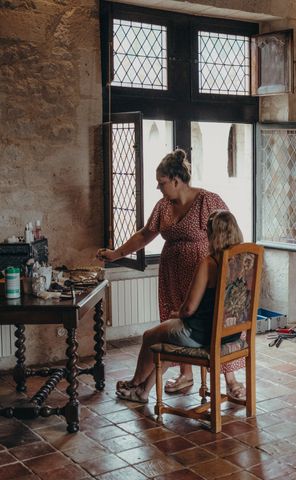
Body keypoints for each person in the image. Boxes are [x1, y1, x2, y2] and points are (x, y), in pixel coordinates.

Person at [96, 148, 246, 401]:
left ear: (176, 180)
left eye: (161, 182)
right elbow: (145, 234)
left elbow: (227, 233)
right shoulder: (163, 206)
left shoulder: (208, 200)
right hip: (172, 271)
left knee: (208, 317)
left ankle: (230, 381)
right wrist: (117, 254)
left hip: (200, 268)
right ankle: (185, 374)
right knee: (176, 322)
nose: (158, 187)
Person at [114, 210, 243, 404]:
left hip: (201, 334)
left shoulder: (209, 263)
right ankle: (142, 392)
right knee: (168, 344)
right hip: (231, 332)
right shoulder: (244, 261)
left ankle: (136, 384)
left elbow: (189, 309)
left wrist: (177, 314)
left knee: (150, 335)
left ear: (212, 234)